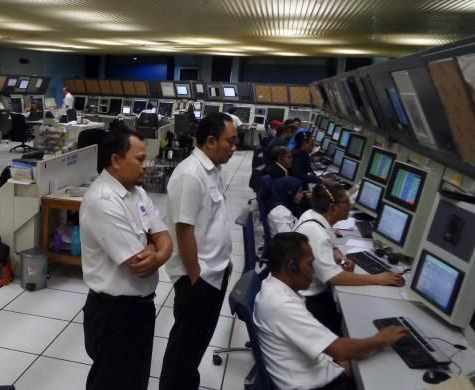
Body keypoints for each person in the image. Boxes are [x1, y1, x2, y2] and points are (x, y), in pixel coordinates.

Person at [80, 127, 173, 390]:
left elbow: (165, 236)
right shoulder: (103, 201)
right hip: (114, 314)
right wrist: (158, 247)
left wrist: (158, 249)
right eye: (140, 159)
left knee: (135, 380)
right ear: (116, 160)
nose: (147, 165)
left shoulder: (137, 192)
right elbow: (138, 266)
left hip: (140, 308)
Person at [254, 232, 409, 390]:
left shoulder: (272, 284)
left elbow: (333, 350)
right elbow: (340, 350)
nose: (314, 271)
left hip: (310, 371)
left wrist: (334, 360)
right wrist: (380, 339)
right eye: (310, 264)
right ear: (292, 266)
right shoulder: (282, 305)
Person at [160, 112, 238, 390]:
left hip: (213, 274)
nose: (234, 147)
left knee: (195, 346)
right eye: (230, 141)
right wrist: (196, 278)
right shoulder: (191, 175)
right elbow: (184, 231)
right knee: (184, 348)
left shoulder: (211, 171)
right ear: (210, 141)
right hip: (199, 280)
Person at [295, 184, 405, 334]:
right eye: (347, 203)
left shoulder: (310, 215)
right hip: (308, 302)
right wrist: (377, 279)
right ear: (333, 208)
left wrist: (337, 253)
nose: (350, 206)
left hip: (306, 293)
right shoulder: (317, 234)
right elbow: (333, 278)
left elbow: (328, 242)